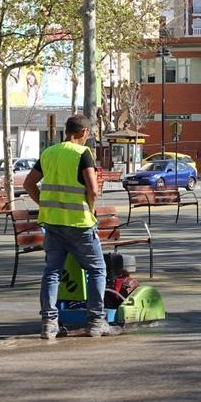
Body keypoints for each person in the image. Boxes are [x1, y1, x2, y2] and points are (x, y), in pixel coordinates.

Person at [23, 114, 120, 339]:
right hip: (79, 224)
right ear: (84, 132)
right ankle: (96, 321)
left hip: (53, 223)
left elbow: (29, 183)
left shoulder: (49, 152)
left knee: (52, 272)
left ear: (66, 131)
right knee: (97, 269)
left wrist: (45, 204)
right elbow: (93, 189)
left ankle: (49, 324)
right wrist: (91, 209)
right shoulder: (82, 153)